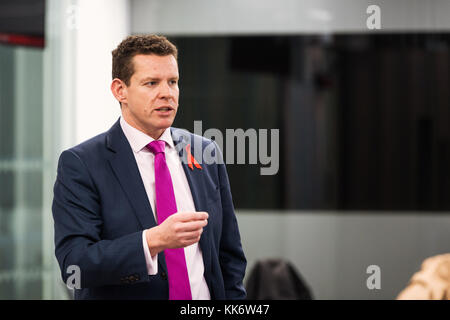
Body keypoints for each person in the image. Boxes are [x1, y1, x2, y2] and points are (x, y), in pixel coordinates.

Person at [52, 34, 247, 300]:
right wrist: (153, 241)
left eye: (173, 82)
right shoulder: (81, 164)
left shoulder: (204, 152)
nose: (167, 93)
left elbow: (229, 257)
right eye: (151, 83)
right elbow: (75, 265)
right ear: (120, 90)